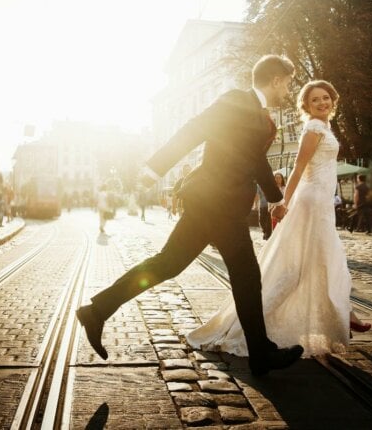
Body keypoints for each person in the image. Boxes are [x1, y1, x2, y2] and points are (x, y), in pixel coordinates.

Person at [76, 55, 303, 375]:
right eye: (287, 83)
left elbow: (256, 161)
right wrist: (155, 169)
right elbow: (194, 130)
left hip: (217, 205)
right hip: (217, 203)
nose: (287, 90)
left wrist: (277, 199)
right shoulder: (236, 101)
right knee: (245, 276)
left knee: (168, 264)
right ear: (277, 79)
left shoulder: (260, 116)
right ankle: (261, 354)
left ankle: (97, 310)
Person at [187, 80, 371, 360]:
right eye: (314, 100)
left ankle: (345, 312)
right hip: (311, 202)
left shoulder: (325, 127)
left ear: (333, 100)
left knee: (323, 260)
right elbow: (298, 167)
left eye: (325, 98)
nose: (321, 103)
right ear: (306, 107)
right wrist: (283, 201)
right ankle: (340, 314)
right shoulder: (313, 128)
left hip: (321, 202)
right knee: (303, 265)